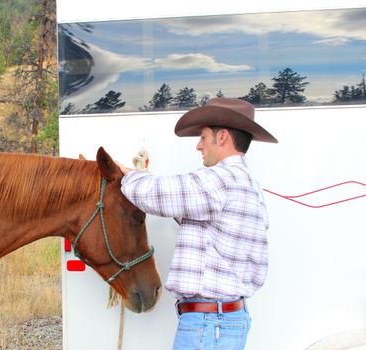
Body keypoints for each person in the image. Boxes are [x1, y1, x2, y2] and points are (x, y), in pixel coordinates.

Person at [117, 97, 278, 350]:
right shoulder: (245, 183)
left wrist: (127, 176)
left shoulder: (221, 179)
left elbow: (161, 194)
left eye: (203, 137)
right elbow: (187, 208)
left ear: (222, 137)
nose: (198, 146)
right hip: (220, 322)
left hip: (209, 324)